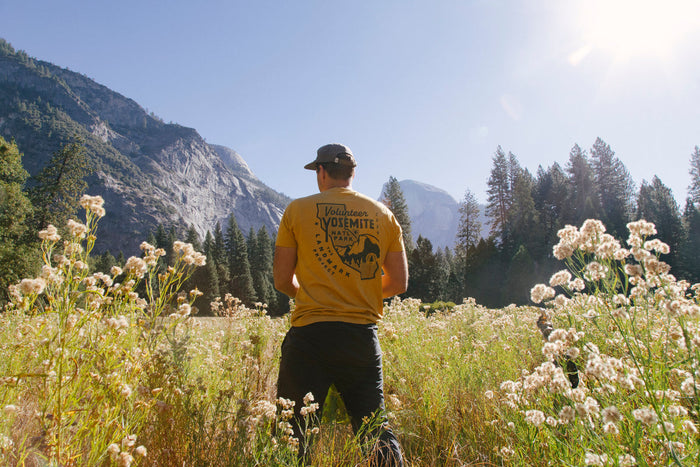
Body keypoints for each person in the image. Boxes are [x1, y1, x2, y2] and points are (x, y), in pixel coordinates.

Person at [273, 143, 408, 466]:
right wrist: (357, 293)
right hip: (360, 338)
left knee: (293, 432)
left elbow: (281, 280)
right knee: (374, 428)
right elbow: (399, 282)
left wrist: (311, 295)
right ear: (352, 174)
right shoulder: (383, 214)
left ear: (321, 172)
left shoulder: (296, 210)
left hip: (309, 337)